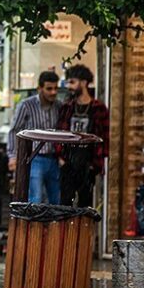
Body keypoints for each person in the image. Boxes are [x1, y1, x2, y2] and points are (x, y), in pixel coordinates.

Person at [56, 64, 110, 207]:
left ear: (84, 82)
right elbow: (58, 133)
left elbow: (104, 136)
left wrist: (97, 164)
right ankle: (67, 230)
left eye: (72, 82)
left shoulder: (98, 108)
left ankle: (82, 229)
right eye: (68, 82)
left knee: (86, 204)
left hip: (88, 160)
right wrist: (61, 157)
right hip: (69, 159)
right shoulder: (67, 108)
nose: (69, 86)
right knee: (65, 203)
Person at [7, 71, 62, 204]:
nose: (53, 92)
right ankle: (34, 225)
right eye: (49, 88)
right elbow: (15, 130)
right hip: (34, 157)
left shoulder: (59, 106)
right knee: (35, 199)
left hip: (54, 158)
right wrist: (13, 156)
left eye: (55, 88)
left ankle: (52, 225)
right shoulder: (26, 105)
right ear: (40, 89)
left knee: (56, 199)